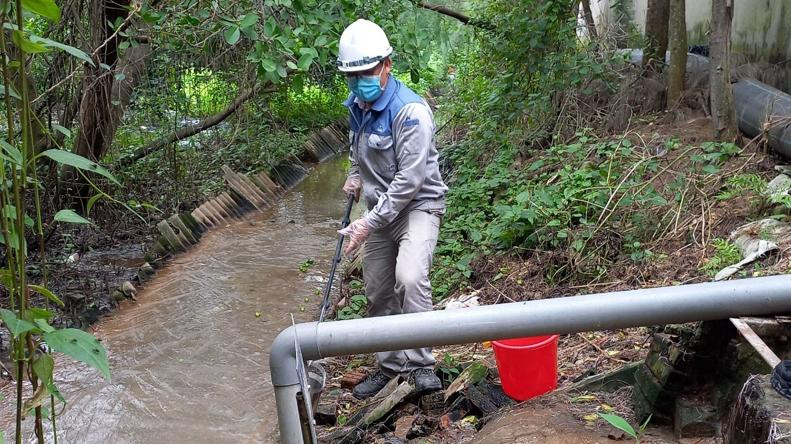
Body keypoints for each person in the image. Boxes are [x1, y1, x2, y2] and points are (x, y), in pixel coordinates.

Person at [336, 18, 448, 399]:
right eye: (352, 77)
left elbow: (409, 182)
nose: (359, 83)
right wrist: (354, 175)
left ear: (386, 65)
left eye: (367, 73)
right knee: (377, 288)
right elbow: (358, 152)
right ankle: (391, 366)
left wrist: (366, 224)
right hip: (378, 211)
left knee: (411, 277)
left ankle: (420, 366)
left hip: (417, 206)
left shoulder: (410, 112)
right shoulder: (356, 105)